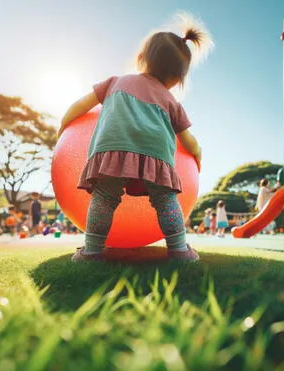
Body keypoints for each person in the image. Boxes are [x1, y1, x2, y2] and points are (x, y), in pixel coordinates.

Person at [57, 18, 210, 261]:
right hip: (155, 156)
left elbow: (82, 104)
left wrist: (64, 123)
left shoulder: (115, 82)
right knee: (164, 199)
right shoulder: (171, 101)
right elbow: (187, 138)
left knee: (104, 198)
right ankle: (179, 249)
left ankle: (92, 251)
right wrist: (197, 152)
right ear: (177, 78)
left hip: (113, 150)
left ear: (142, 58)